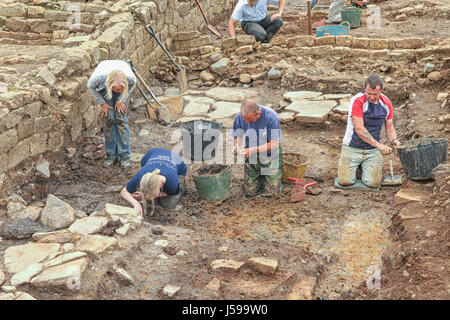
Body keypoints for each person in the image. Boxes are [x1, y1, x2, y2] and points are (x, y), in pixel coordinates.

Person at [337, 73, 401, 189]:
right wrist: (380, 146)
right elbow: (360, 129)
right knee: (345, 182)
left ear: (381, 90)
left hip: (372, 150)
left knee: (373, 183)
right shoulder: (357, 101)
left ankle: (363, 167)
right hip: (352, 146)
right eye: (369, 93)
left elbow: (390, 127)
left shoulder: (386, 103)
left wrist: (394, 141)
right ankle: (357, 168)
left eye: (375, 94)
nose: (371, 97)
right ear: (364, 88)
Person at [87, 60, 136, 167]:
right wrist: (102, 103)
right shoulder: (98, 79)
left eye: (120, 89)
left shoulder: (130, 79)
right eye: (116, 89)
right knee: (109, 120)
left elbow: (131, 86)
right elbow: (90, 86)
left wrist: (121, 100)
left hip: (121, 86)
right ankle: (110, 156)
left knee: (121, 120)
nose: (118, 91)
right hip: (105, 88)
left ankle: (124, 157)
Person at [231, 99, 283, 198]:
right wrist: (236, 145)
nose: (246, 121)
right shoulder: (241, 116)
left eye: (249, 119)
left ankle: (270, 178)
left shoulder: (271, 116)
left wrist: (252, 150)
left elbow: (274, 144)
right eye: (244, 118)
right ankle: (260, 176)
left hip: (270, 153)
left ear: (258, 114)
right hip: (251, 151)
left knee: (271, 194)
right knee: (250, 192)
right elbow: (237, 134)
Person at [120, 148, 187, 216]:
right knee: (150, 201)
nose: (150, 196)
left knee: (168, 204)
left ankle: (182, 187)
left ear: (160, 185)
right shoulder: (142, 175)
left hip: (178, 166)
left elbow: (171, 192)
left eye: (153, 193)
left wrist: (146, 197)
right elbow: (124, 192)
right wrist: (136, 204)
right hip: (154, 152)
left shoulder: (172, 180)